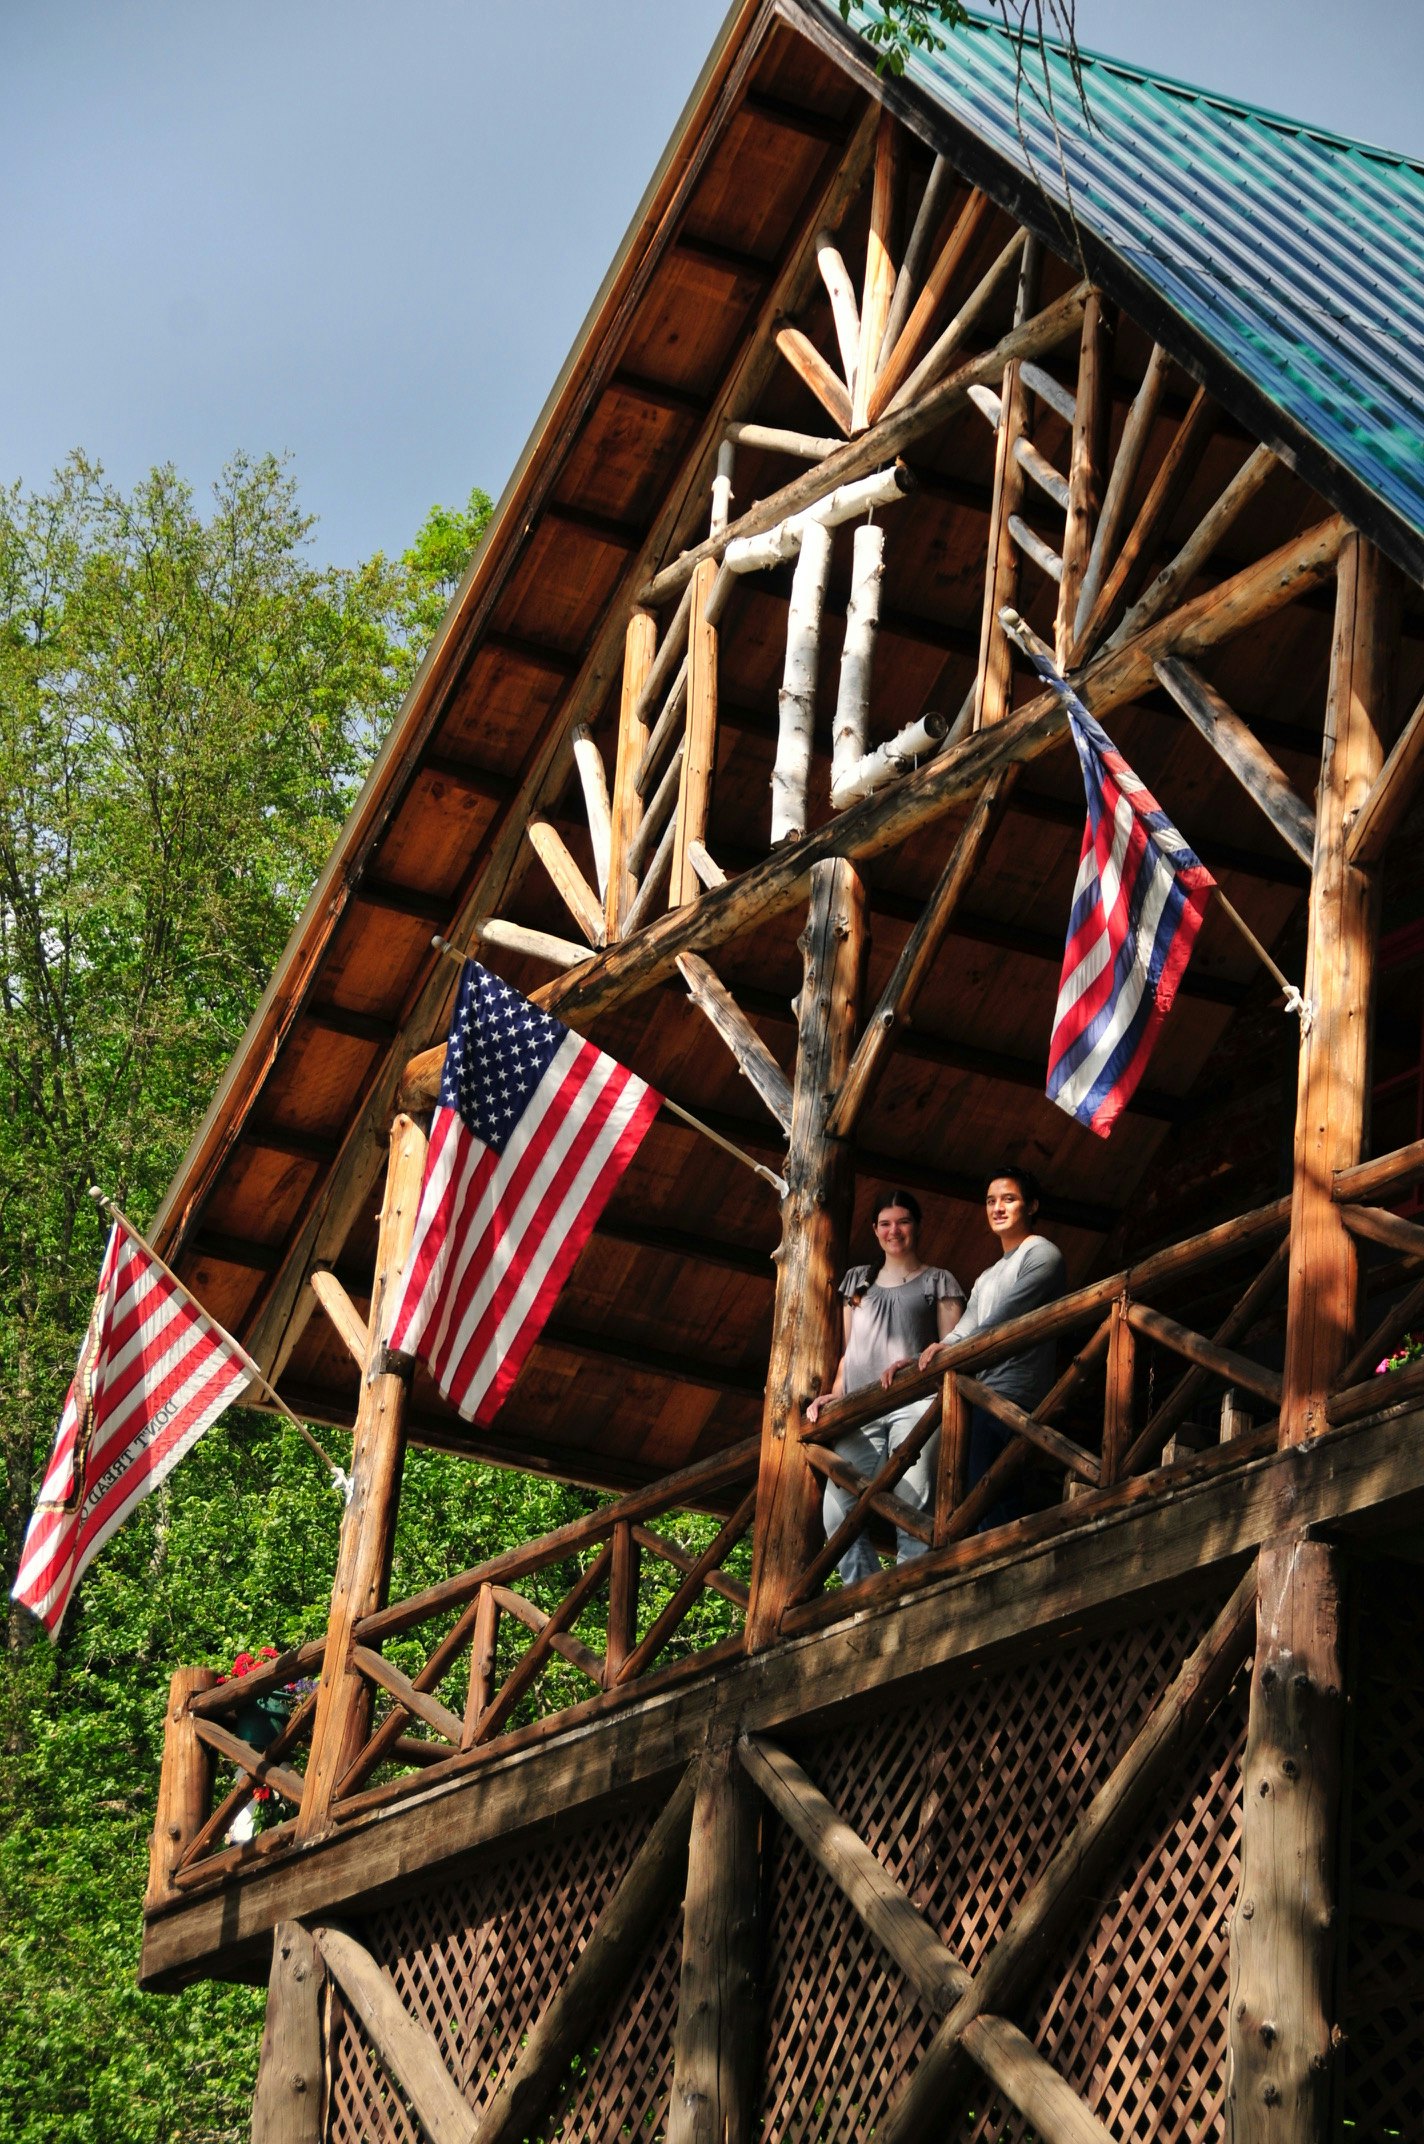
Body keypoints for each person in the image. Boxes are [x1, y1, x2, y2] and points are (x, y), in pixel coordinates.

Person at [805, 1190, 964, 1584]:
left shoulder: (938, 1280)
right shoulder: (856, 1281)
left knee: (912, 1507)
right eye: (886, 1223)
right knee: (837, 1514)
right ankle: (864, 1598)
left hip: (915, 1405)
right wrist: (836, 1392)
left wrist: (915, 1361)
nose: (895, 1231)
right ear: (875, 1230)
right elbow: (849, 1351)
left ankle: (910, 1593)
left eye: (904, 1221)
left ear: (917, 1226)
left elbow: (955, 1351)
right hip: (860, 1412)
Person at [918, 1165, 1067, 1526]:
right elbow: (964, 1329)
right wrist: (932, 1351)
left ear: (1031, 1206)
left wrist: (954, 1348)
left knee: (993, 1494)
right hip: (979, 1395)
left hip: (1014, 1395)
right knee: (974, 1492)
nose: (997, 1208)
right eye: (990, 1201)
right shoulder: (986, 1276)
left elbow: (1002, 1319)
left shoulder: (1042, 1254)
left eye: (1009, 1199)